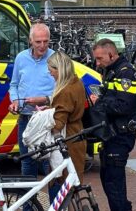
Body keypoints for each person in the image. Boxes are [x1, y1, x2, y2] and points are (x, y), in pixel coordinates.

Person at [90, 38, 136, 211]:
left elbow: (124, 105)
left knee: (114, 183)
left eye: (99, 58)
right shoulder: (111, 70)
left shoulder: (126, 72)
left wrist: (99, 102)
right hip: (112, 134)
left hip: (121, 134)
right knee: (108, 179)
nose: (97, 63)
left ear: (111, 54)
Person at [9, 23, 56, 183]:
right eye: (38, 42)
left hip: (46, 121)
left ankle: (54, 207)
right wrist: (15, 101)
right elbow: (14, 84)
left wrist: (43, 99)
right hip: (25, 119)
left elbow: (62, 91)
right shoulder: (21, 58)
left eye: (45, 41)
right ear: (30, 41)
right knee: (27, 164)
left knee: (49, 166)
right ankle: (29, 207)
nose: (42, 45)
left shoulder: (56, 59)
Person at [47, 51, 86, 185]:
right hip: (78, 135)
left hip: (68, 140)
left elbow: (58, 123)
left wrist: (43, 117)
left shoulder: (64, 91)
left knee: (66, 185)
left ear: (59, 69)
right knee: (74, 184)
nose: (50, 74)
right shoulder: (77, 82)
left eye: (51, 70)